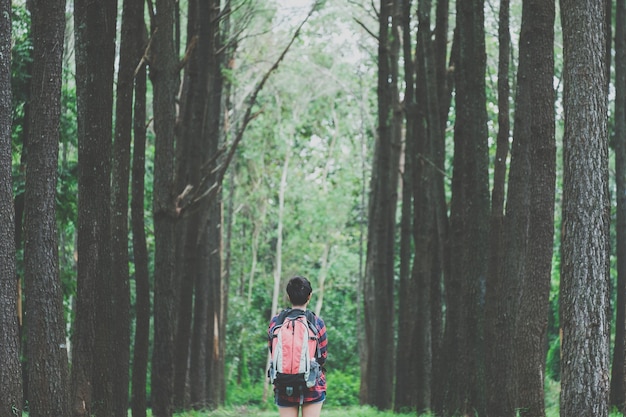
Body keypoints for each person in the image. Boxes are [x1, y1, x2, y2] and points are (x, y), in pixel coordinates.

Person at [268, 276, 328, 417]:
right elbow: (322, 356)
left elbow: (273, 351)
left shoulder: (277, 321)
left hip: (284, 384)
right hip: (311, 385)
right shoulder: (317, 322)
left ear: (288, 296)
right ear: (309, 296)